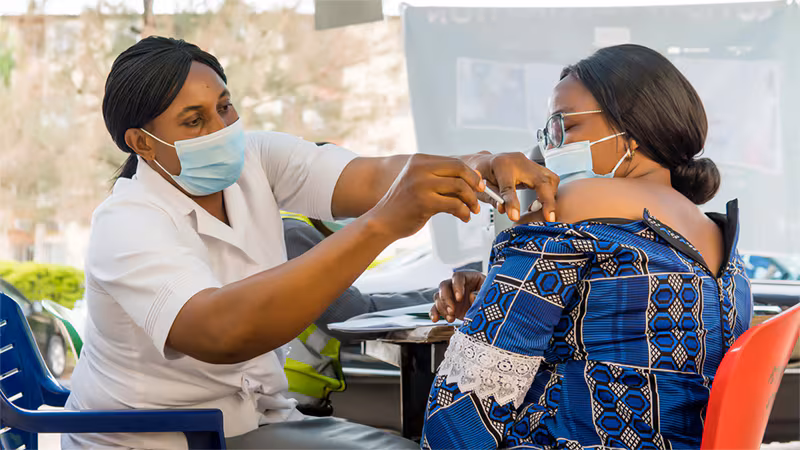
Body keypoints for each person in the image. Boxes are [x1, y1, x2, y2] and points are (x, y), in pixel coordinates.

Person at [62, 36, 559, 449]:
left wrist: (478, 165)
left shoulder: (257, 159)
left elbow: (377, 177)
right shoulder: (127, 223)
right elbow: (222, 333)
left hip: (254, 421)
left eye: (225, 107)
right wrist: (382, 225)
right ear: (142, 143)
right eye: (194, 121)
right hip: (156, 439)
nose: (222, 129)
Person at [423, 44, 753, 449]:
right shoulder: (718, 238)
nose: (549, 146)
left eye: (563, 125)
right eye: (546, 132)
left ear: (631, 129)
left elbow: (461, 414)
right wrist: (496, 293)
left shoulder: (571, 206)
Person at [280, 210, 436, 416]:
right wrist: (441, 297)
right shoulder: (293, 233)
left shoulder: (289, 228)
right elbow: (350, 314)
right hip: (285, 401)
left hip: (290, 398)